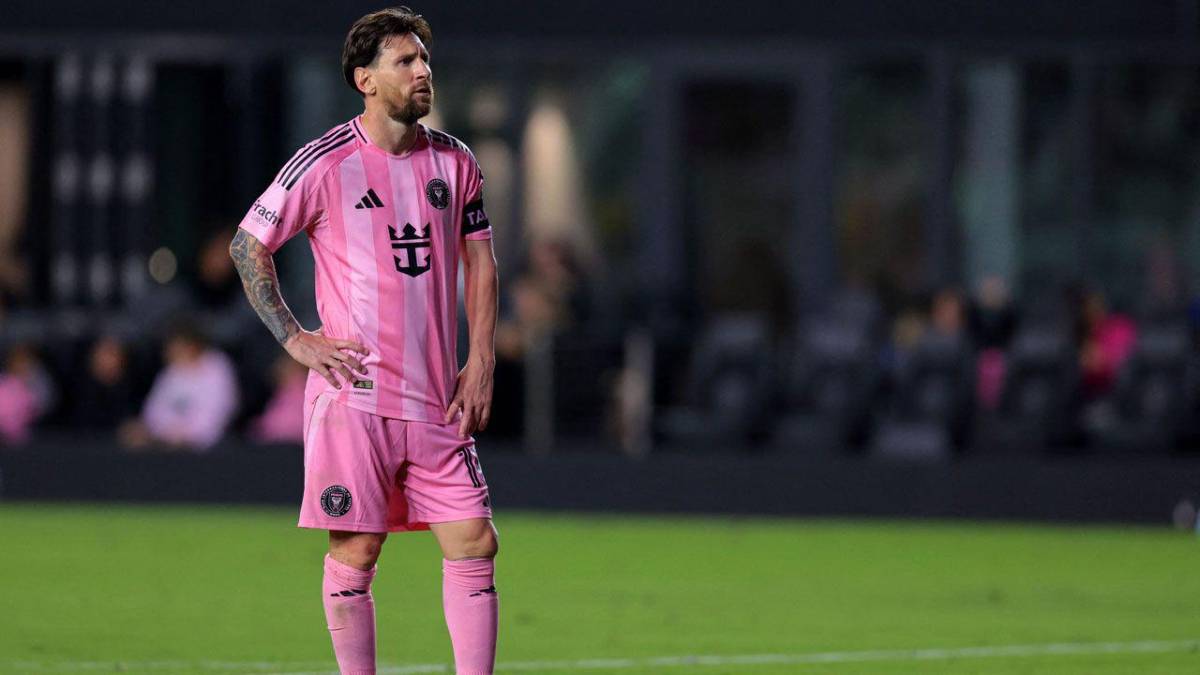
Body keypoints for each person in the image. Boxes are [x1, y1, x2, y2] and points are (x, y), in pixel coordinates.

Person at [229, 8, 500, 674]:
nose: (422, 71)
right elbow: (247, 244)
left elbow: (482, 260)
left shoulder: (456, 161)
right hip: (358, 400)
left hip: (438, 398)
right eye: (405, 61)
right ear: (365, 80)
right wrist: (294, 338)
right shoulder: (324, 162)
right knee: (357, 551)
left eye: (425, 60)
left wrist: (482, 358)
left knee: (475, 539)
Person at [119, 320, 239, 451]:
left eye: (179, 347)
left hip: (208, 449)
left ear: (193, 345)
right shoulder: (170, 372)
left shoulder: (217, 366)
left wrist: (189, 435)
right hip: (167, 443)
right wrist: (164, 432)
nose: (172, 352)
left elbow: (221, 410)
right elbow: (154, 411)